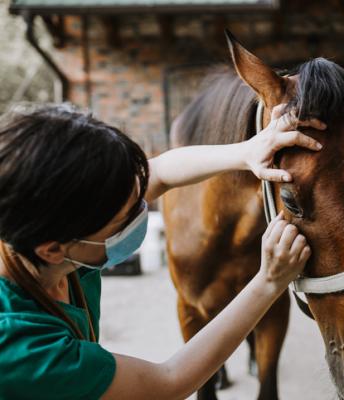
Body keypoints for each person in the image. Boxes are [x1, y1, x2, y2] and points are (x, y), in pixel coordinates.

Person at [0, 102, 325, 400]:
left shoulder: (45, 231)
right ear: (53, 250)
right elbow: (167, 382)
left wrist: (248, 151)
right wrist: (269, 280)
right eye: (123, 218)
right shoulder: (24, 349)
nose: (141, 211)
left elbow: (162, 172)